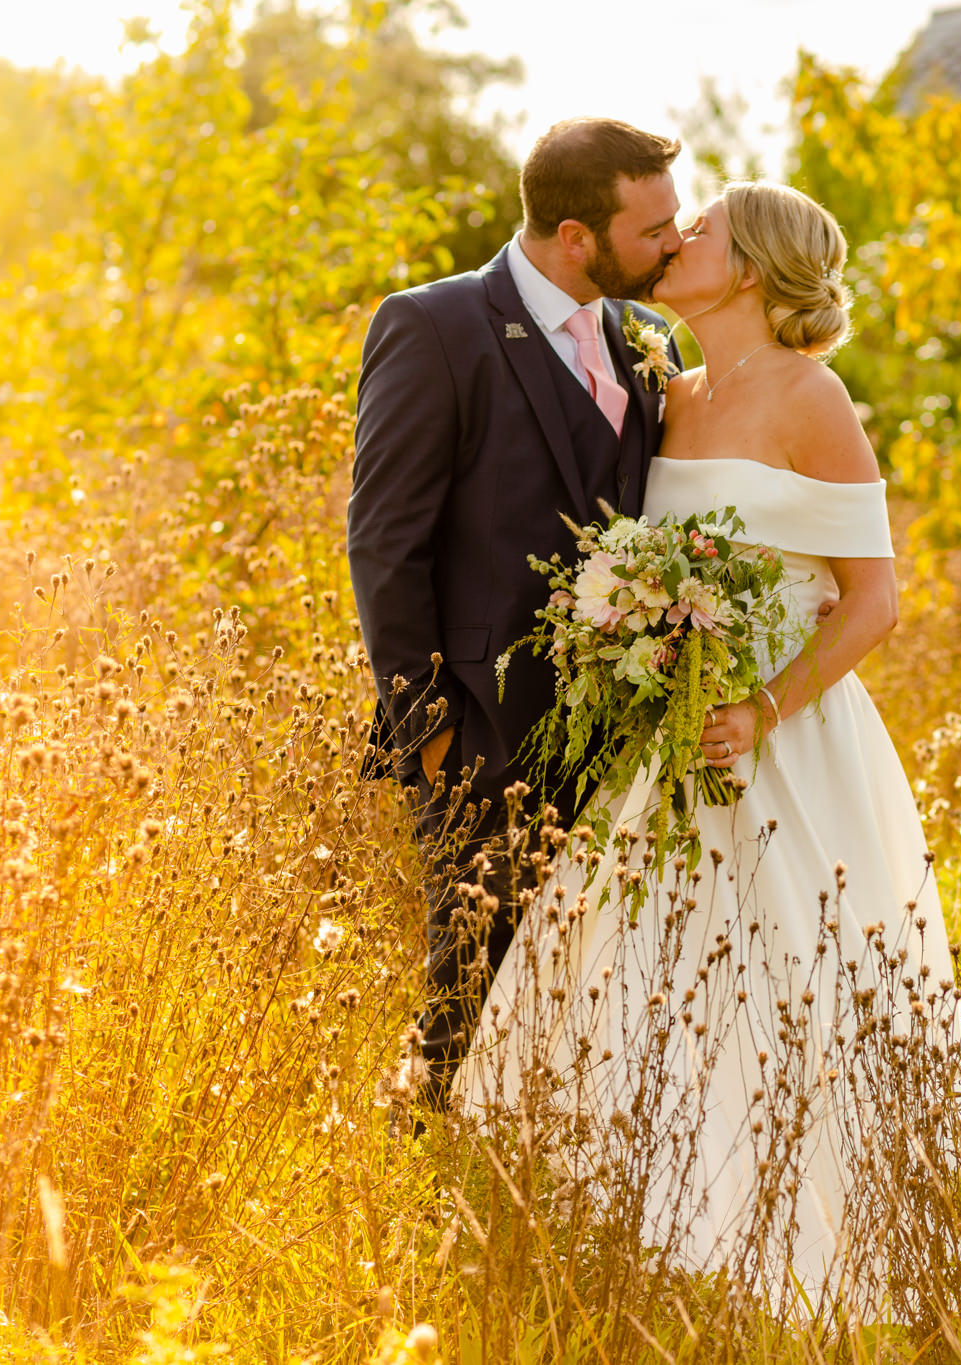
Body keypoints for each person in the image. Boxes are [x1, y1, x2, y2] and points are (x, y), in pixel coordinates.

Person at [456, 182, 961, 1313]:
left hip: (780, 737)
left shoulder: (813, 395)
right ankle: (640, 1230)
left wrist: (762, 707)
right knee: (640, 963)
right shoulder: (672, 388)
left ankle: (801, 1242)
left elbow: (873, 601)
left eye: (699, 231)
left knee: (794, 978)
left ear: (746, 270)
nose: (675, 238)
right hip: (667, 734)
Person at [346, 118, 684, 1111]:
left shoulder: (644, 340)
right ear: (576, 236)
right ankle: (424, 1193)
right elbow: (382, 542)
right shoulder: (433, 326)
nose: (675, 240)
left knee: (583, 982)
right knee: (469, 985)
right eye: (654, 226)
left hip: (615, 732)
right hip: (479, 728)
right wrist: (427, 727)